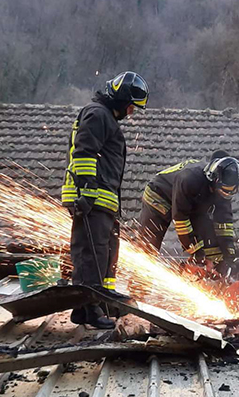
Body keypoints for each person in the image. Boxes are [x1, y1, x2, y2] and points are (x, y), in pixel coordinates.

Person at [61, 71, 149, 328]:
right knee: (91, 254)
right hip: (92, 198)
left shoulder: (105, 117)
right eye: (131, 107)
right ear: (122, 100)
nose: (132, 113)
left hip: (102, 200)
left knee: (106, 252)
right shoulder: (97, 114)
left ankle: (96, 304)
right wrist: (87, 191)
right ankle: (91, 307)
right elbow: (85, 152)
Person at [137, 150, 239, 278]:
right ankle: (137, 288)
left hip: (191, 202)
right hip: (159, 196)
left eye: (228, 193)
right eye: (222, 191)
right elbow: (181, 219)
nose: (224, 195)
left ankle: (211, 279)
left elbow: (224, 223)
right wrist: (198, 253)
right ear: (214, 179)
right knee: (149, 244)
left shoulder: (223, 192)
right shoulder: (189, 179)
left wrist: (228, 257)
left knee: (210, 238)